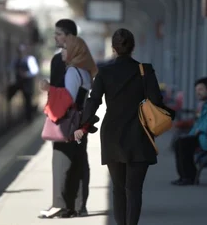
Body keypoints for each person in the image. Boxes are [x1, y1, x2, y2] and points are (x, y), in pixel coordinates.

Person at [74, 28, 173, 225]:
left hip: (113, 134)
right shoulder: (145, 70)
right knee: (134, 189)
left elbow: (94, 101)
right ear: (133, 47)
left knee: (118, 188)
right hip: (140, 133)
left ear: (114, 48)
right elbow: (156, 101)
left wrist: (82, 125)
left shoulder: (105, 71)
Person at [38, 19, 94, 218]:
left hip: (67, 119)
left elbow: (63, 95)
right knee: (80, 159)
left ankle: (61, 204)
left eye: (59, 34)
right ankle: (79, 205)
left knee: (61, 160)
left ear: (69, 38)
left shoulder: (63, 63)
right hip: (82, 117)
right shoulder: (85, 65)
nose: (55, 38)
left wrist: (48, 91)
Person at [7, 44, 39, 122]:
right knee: (11, 91)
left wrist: (26, 74)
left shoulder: (30, 59)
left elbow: (35, 71)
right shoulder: (16, 60)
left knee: (28, 100)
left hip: (27, 84)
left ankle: (29, 119)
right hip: (19, 82)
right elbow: (10, 68)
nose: (21, 53)